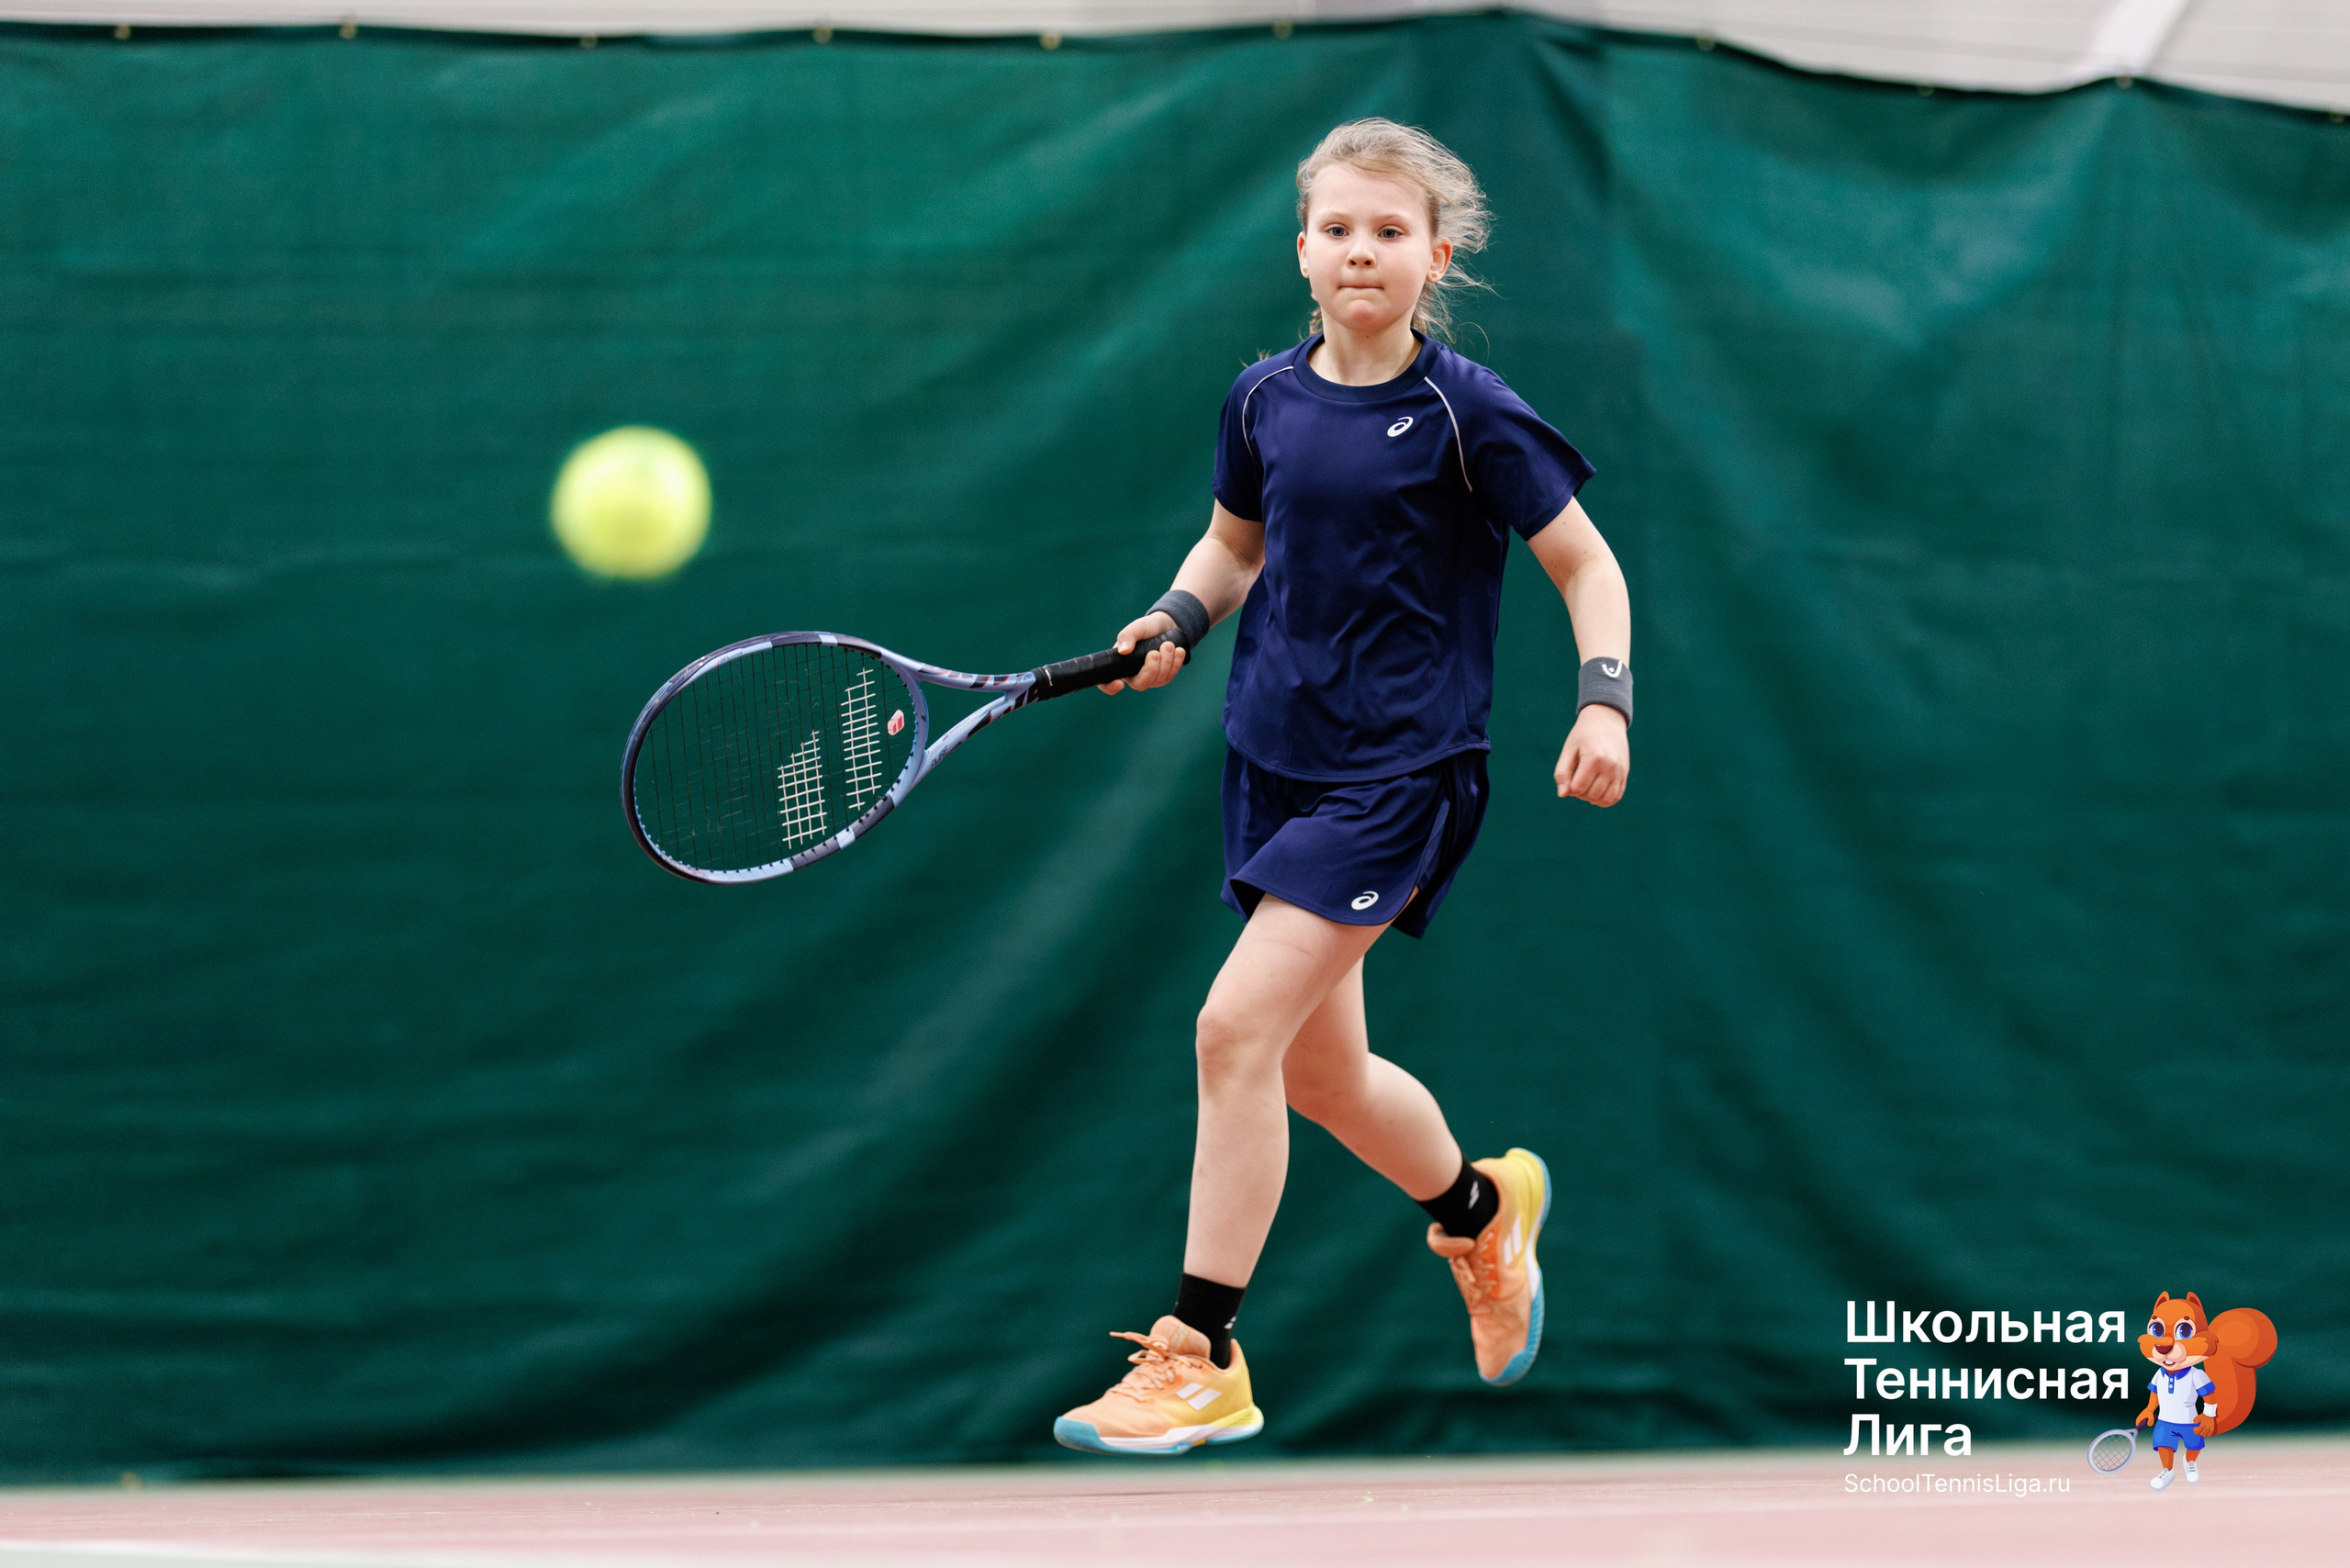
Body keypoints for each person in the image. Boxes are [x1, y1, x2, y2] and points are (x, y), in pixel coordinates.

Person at [1052, 118, 1633, 1456]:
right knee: (1324, 1073)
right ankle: (1485, 1217)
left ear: (1437, 255)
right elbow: (1231, 547)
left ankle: (1201, 1351)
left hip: (1402, 774)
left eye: (1389, 232)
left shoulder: (1468, 412)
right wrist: (1175, 621)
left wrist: (1605, 699)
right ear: (1302, 250)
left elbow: (1587, 565)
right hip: (1274, 761)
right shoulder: (1262, 398)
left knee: (1229, 1031)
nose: (1360, 251)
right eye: (1337, 229)